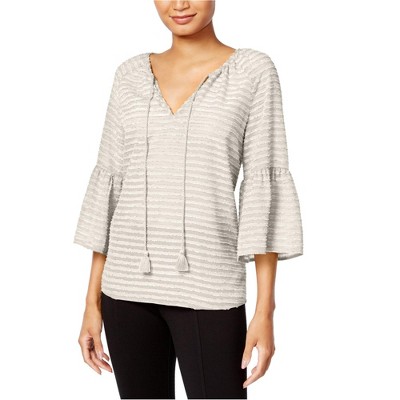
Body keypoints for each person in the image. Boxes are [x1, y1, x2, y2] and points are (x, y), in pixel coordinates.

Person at [75, 1, 304, 398]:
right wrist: (91, 303)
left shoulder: (252, 71)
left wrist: (265, 309)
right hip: (125, 290)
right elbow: (111, 183)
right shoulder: (129, 74)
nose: (179, 4)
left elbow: (261, 186)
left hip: (210, 289)